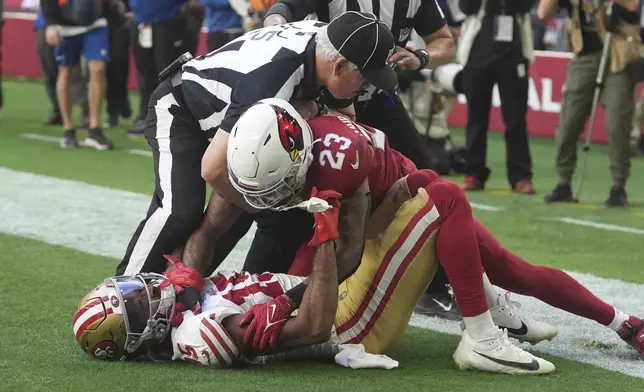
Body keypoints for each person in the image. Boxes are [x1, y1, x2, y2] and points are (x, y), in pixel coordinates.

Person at [224, 98, 643, 362]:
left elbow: (353, 245)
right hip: (385, 209)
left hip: (398, 205)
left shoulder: (337, 155)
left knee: (505, 265)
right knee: (297, 279)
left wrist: (284, 300)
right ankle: (487, 311)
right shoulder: (303, 131)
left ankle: (621, 322)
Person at [116, 12, 395, 280]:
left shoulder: (328, 47)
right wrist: (266, 205)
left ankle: (184, 296)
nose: (367, 88)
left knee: (251, 213)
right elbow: (212, 169)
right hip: (181, 109)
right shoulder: (276, 78)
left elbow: (345, 117)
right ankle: (123, 290)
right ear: (340, 65)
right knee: (181, 211)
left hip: (234, 119)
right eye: (366, 78)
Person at [262, 0, 455, 173]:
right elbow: (282, 9)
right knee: (323, 178)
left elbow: (445, 42)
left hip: (378, 95)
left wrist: (420, 57)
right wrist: (273, 33)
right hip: (323, 101)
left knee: (421, 176)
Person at [538, 0, 640, 206]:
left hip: (617, 56)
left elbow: (632, 5)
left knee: (617, 125)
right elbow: (543, 13)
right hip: (584, 56)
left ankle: (618, 186)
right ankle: (563, 182)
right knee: (568, 122)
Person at [457, 0, 536, 194]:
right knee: (476, 118)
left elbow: (526, 6)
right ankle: (474, 173)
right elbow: (467, 8)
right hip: (478, 51)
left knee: (515, 119)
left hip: (514, 51)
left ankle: (521, 176)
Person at [41, 0, 124, 150]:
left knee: (98, 67)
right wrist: (51, 22)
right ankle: (68, 128)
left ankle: (94, 128)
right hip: (65, 22)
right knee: (66, 71)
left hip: (95, 21)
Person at [126, 0, 202, 138]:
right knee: (144, 71)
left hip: (168, 21)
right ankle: (147, 117)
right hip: (140, 22)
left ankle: (173, 118)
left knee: (168, 72)